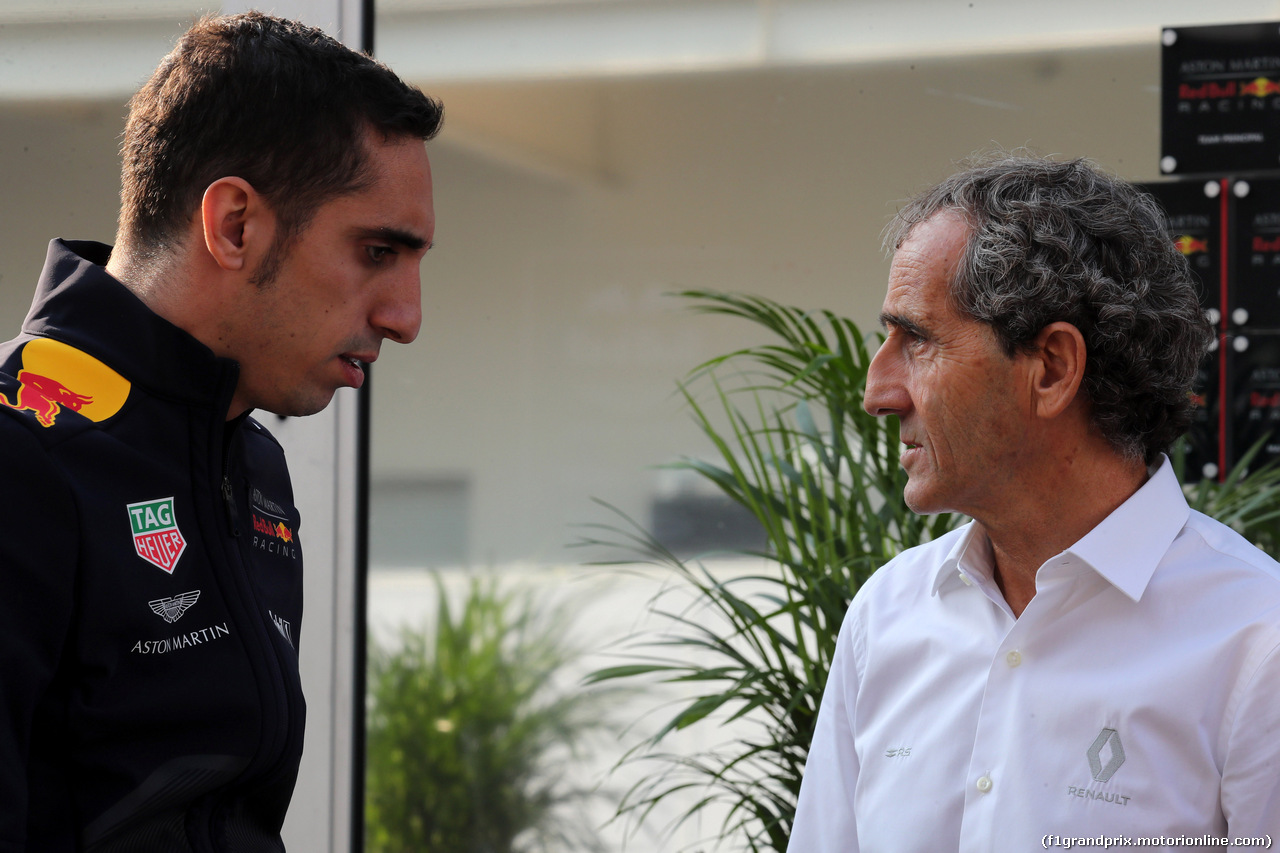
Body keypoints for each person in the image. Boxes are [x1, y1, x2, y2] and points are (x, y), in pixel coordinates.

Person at [0, 12, 441, 851]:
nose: (406, 317)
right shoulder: (22, 453)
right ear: (234, 224)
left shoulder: (253, 465)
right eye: (378, 252)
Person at [790, 155, 1280, 850]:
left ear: (1051, 367)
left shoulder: (1258, 646)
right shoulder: (886, 614)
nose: (877, 392)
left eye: (917, 339)